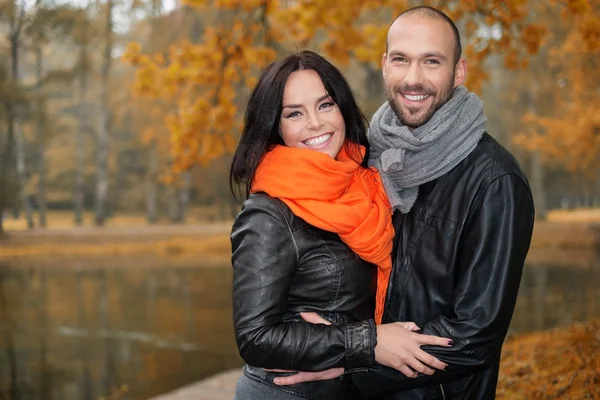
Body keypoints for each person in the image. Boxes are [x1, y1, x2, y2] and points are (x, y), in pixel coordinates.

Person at [274, 6, 535, 399]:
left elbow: (474, 337)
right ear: (385, 66)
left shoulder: (495, 181)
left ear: (458, 71)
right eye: (401, 60)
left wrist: (352, 363)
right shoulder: (363, 156)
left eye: (432, 62)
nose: (413, 79)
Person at [229, 50, 453, 400]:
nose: (316, 124)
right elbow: (255, 338)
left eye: (325, 105)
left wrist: (351, 354)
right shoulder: (267, 215)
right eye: (294, 114)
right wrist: (368, 343)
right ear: (276, 126)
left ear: (342, 108)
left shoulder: (363, 185)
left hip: (345, 387)